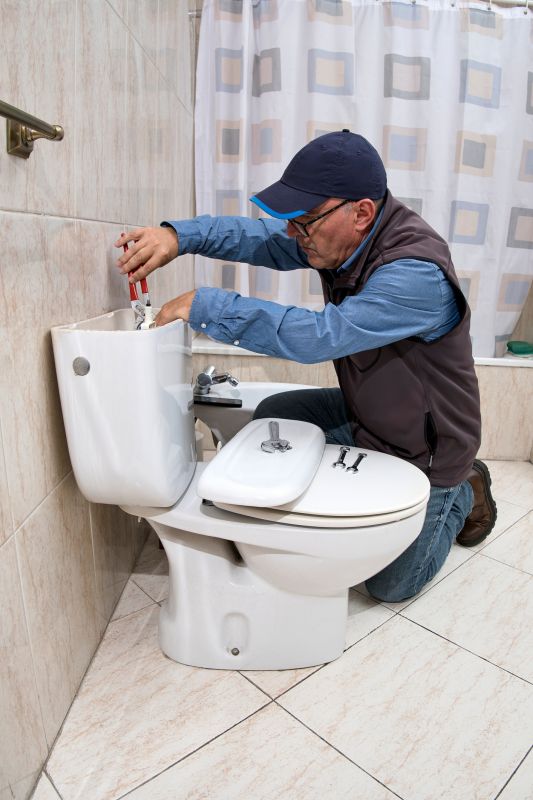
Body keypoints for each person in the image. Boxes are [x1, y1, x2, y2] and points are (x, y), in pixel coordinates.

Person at [115, 129, 498, 603]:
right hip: (371, 417)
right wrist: (178, 235)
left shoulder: (414, 273)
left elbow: (322, 337)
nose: (294, 234)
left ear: (362, 213)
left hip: (430, 450)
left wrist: (206, 305)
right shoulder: (338, 238)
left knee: (389, 586)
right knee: (275, 415)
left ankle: (465, 489)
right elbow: (255, 238)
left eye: (305, 220)